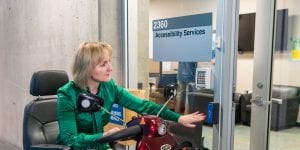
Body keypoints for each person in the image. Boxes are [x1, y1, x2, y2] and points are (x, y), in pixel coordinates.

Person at [56, 42, 205, 150]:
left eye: (109, 62)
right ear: (86, 68)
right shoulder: (67, 94)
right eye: (103, 64)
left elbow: (144, 105)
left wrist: (179, 118)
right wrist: (103, 136)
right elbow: (70, 139)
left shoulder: (109, 87)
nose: (110, 68)